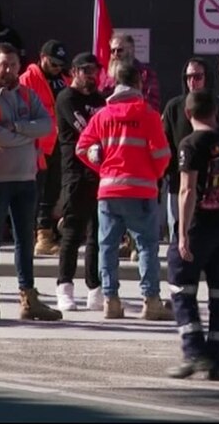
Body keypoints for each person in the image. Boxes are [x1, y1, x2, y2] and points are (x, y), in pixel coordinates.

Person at [167, 52, 219, 381]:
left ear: (188, 112)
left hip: (199, 227)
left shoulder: (191, 143)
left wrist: (182, 234)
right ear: (215, 111)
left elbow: (186, 190)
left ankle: (195, 352)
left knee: (182, 289)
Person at [77, 63, 173, 321]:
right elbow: (162, 155)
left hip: (108, 191)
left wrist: (101, 167)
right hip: (141, 192)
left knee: (106, 247)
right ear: (139, 84)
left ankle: (111, 301)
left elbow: (82, 148)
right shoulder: (148, 114)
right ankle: (151, 301)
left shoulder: (103, 115)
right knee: (146, 247)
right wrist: (154, 175)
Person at [0, 43, 62, 322]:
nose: (10, 70)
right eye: (4, 64)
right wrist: (27, 133)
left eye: (14, 65)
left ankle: (28, 297)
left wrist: (15, 127)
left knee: (25, 240)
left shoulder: (27, 93)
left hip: (26, 177)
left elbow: (47, 125)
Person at [53, 53, 106, 311]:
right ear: (74, 71)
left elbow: (109, 130)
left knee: (97, 233)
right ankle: (64, 287)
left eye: (95, 70)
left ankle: (95, 288)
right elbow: (87, 129)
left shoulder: (100, 99)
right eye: (86, 70)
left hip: (101, 173)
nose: (92, 75)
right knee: (72, 232)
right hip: (75, 173)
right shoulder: (66, 98)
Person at [162, 58, 219, 242]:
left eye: (197, 76)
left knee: (208, 237)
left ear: (207, 78)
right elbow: (166, 143)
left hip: (212, 184)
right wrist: (168, 174)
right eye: (188, 77)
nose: (192, 81)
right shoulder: (174, 107)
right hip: (179, 182)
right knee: (179, 232)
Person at [20, 39, 71, 256]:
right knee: (36, 191)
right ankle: (34, 235)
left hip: (60, 142)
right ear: (42, 58)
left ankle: (46, 233)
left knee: (53, 188)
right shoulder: (28, 78)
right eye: (53, 64)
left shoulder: (65, 78)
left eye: (60, 64)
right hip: (38, 144)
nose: (57, 68)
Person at [99, 33, 160, 110]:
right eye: (112, 51)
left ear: (131, 50)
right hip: (110, 119)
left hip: (136, 118)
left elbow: (152, 104)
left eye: (119, 50)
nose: (115, 54)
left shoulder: (145, 74)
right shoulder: (104, 74)